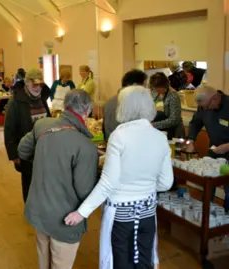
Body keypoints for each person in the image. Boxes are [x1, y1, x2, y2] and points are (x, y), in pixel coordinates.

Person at [65, 85, 174, 269]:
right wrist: (143, 185)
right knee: (144, 260)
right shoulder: (159, 137)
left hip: (121, 214)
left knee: (120, 262)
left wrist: (81, 212)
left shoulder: (119, 136)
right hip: (147, 211)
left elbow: (108, 182)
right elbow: (166, 182)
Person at [18, 90, 98, 269]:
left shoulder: (42, 125)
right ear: (86, 113)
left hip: (38, 209)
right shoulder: (85, 146)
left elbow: (23, 150)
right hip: (64, 218)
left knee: (43, 259)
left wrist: (45, 161)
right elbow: (85, 190)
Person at [4, 68, 51, 202]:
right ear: (26, 83)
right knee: (29, 182)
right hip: (26, 151)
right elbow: (9, 129)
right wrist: (13, 154)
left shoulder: (43, 98)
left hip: (44, 150)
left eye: (40, 85)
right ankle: (30, 209)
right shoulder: (15, 102)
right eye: (34, 84)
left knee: (43, 180)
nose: (37, 88)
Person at [186, 85, 229, 211]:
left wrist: (227, 147)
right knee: (207, 185)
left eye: (207, 107)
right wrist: (191, 140)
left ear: (215, 98)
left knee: (228, 191)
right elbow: (195, 123)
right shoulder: (204, 106)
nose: (206, 110)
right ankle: (205, 217)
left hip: (227, 151)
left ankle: (226, 223)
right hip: (214, 151)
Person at [103, 69, 147, 141]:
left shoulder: (110, 101)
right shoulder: (135, 102)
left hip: (112, 144)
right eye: (144, 85)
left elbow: (105, 129)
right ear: (136, 85)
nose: (145, 89)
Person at [149, 72, 185, 139]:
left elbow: (174, 120)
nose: (155, 89)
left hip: (173, 132)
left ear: (164, 85)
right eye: (154, 87)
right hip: (159, 130)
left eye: (157, 87)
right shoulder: (154, 93)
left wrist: (154, 125)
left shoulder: (173, 96)